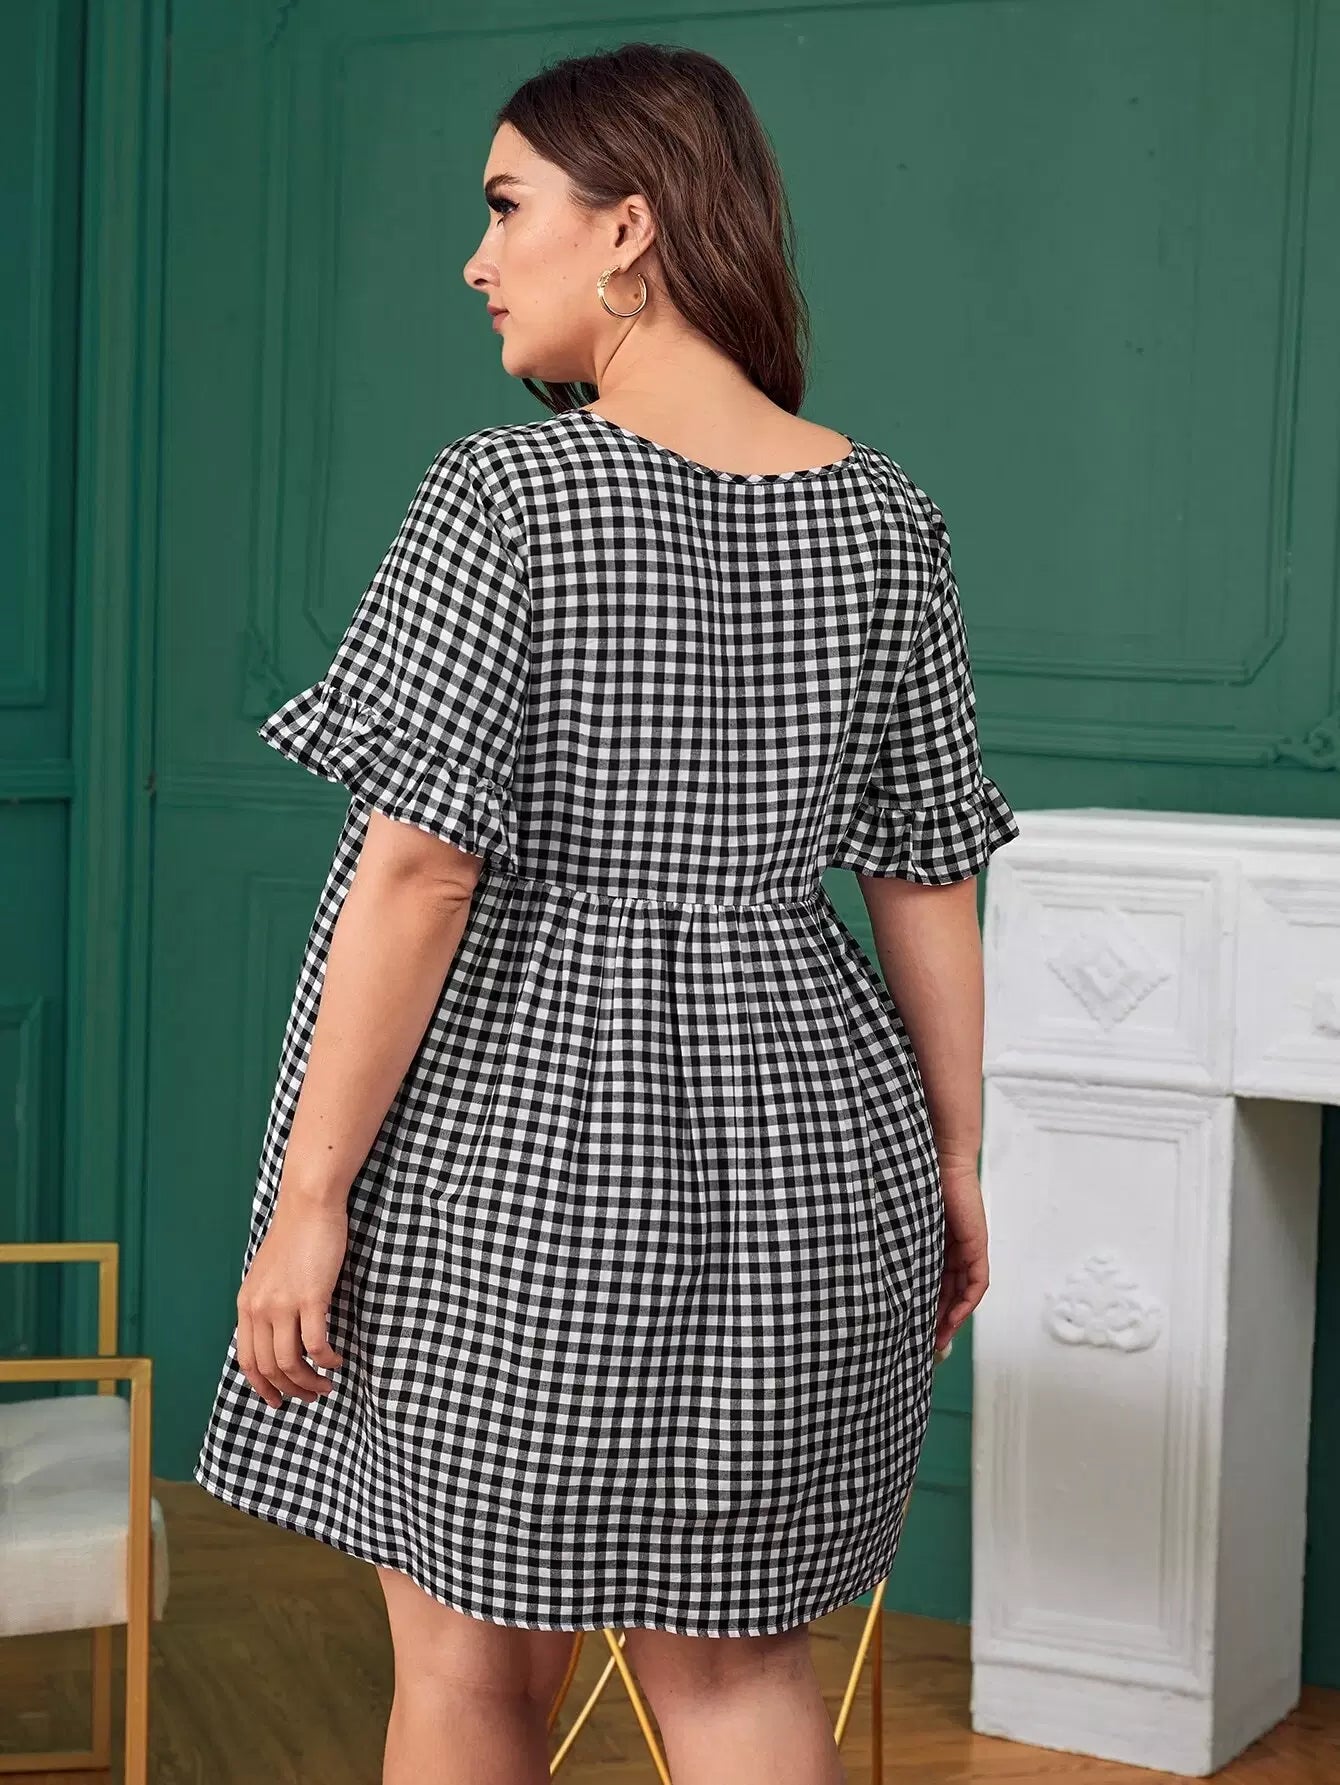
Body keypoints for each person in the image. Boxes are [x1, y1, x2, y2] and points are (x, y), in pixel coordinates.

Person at [193, 40, 1020, 1785]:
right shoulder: (887, 520)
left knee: (469, 1669)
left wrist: (312, 1200)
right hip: (815, 1154)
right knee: (739, 1676)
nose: (478, 260)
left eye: (508, 209)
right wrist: (958, 1160)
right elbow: (926, 873)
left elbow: (420, 870)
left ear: (630, 226)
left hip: (518, 1146)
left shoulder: (506, 494)